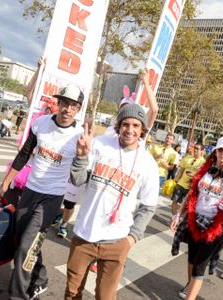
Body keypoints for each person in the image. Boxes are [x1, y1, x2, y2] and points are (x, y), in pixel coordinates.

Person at [0, 85, 84, 300]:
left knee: (26, 246)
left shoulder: (79, 135)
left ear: (78, 109)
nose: (67, 109)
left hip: (52, 198)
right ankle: (41, 277)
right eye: (64, 103)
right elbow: (25, 153)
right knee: (24, 239)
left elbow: (79, 176)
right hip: (30, 191)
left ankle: (18, 295)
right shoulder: (41, 123)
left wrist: (82, 155)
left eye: (73, 106)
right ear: (59, 103)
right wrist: (6, 182)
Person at [64, 103, 159, 300]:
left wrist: (131, 238)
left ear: (142, 129)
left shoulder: (148, 163)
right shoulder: (100, 145)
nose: (130, 130)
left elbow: (149, 206)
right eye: (125, 124)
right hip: (84, 236)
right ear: (118, 126)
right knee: (72, 293)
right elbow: (78, 180)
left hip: (116, 242)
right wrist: (81, 157)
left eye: (135, 125)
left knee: (105, 297)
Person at [171, 136, 223, 300]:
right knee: (192, 259)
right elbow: (192, 194)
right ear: (215, 151)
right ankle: (190, 285)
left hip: (215, 227)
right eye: (220, 150)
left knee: (200, 266)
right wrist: (179, 215)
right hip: (195, 220)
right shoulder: (204, 170)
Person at [171, 143, 205, 220]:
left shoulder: (204, 162)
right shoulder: (187, 158)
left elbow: (202, 177)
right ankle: (174, 218)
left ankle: (180, 220)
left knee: (186, 205)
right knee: (174, 201)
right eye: (195, 148)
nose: (195, 150)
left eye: (197, 149)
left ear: (202, 151)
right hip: (181, 184)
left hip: (192, 187)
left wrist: (194, 176)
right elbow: (180, 171)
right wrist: (175, 181)